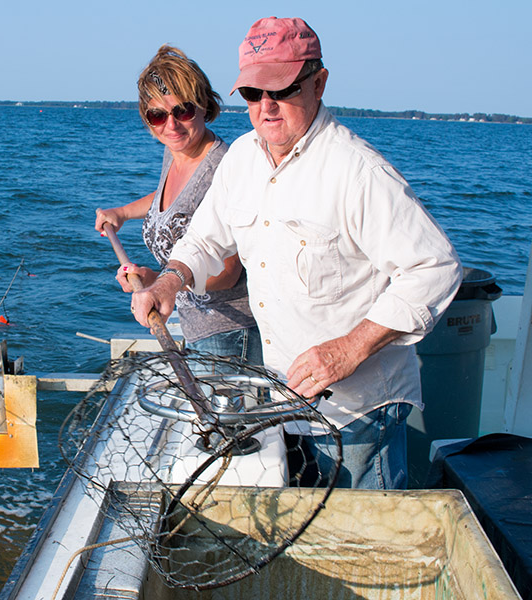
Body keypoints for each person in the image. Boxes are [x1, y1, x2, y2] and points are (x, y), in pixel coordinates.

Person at [129, 18, 462, 489]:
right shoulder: (242, 158)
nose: (266, 107)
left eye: (281, 90)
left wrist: (350, 349)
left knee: (367, 541)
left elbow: (435, 268)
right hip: (283, 401)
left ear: (318, 83)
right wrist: (169, 279)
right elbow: (204, 239)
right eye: (251, 93)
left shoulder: (357, 171)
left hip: (358, 410)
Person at [95, 45, 261, 365]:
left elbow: (227, 273)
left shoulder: (222, 167)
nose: (171, 125)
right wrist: (123, 213)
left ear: (204, 106)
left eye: (182, 111)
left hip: (229, 334)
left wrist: (161, 283)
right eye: (158, 115)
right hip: (196, 327)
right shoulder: (175, 153)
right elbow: (169, 199)